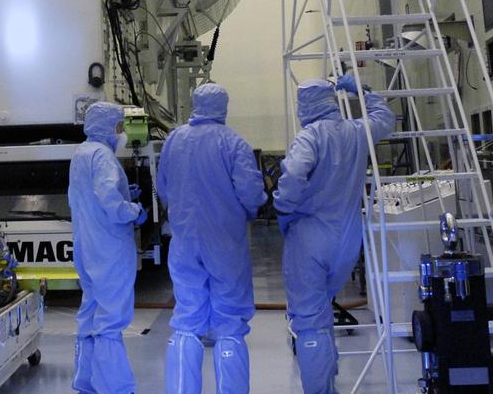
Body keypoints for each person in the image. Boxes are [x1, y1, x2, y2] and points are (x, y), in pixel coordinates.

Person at [274, 74, 396, 394]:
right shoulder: (357, 131)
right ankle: (329, 382)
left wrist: (284, 209)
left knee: (310, 323)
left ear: (305, 105)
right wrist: (363, 90)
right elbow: (386, 118)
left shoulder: (309, 137)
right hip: (348, 239)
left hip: (310, 238)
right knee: (323, 309)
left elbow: (293, 176)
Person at [156, 82, 267, 394]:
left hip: (184, 241)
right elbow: (251, 194)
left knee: (186, 319)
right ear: (224, 108)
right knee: (229, 323)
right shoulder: (233, 144)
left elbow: (163, 188)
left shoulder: (174, 140)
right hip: (224, 243)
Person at [70, 101, 148, 394]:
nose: (121, 133)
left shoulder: (81, 153)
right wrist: (133, 209)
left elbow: (85, 197)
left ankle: (86, 381)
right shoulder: (102, 156)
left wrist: (124, 191)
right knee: (111, 319)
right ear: (107, 126)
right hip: (109, 249)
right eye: (118, 127)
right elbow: (109, 202)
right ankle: (114, 387)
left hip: (87, 246)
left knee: (90, 312)